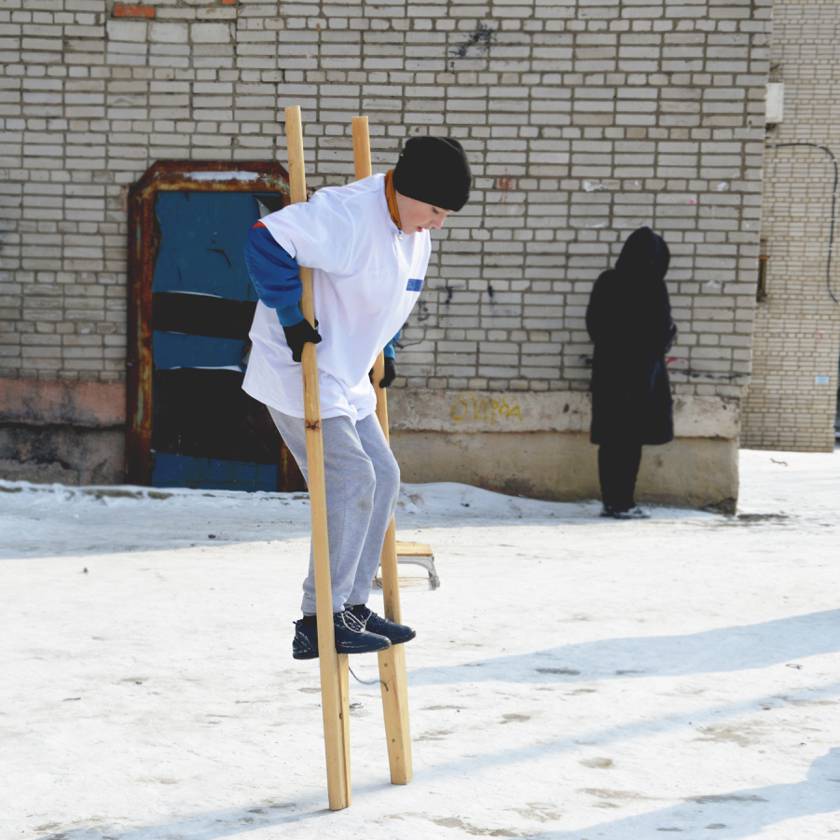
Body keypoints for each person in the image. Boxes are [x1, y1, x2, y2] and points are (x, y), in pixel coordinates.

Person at [242, 136, 471, 658]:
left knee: (383, 476)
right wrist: (290, 317)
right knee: (350, 478)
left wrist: (384, 346)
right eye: (436, 210)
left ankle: (351, 604)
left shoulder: (413, 231)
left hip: (346, 370)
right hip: (301, 364)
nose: (438, 224)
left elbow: (394, 292)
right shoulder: (346, 215)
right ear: (409, 191)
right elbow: (265, 239)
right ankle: (317, 618)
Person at [585, 226, 677, 519]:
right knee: (631, 443)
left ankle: (611, 501)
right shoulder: (654, 287)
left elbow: (593, 325)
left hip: (609, 375)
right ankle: (624, 502)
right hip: (641, 378)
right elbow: (661, 333)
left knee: (611, 442)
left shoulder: (608, 281)